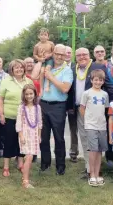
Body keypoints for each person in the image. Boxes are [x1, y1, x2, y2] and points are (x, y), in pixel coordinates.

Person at [66, 47, 113, 177]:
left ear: (89, 55)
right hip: (78, 109)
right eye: (79, 55)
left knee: (95, 140)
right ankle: (89, 168)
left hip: (94, 111)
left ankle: (96, 168)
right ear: (75, 57)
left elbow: (109, 87)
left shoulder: (98, 67)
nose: (82, 57)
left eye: (84, 55)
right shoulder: (72, 69)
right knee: (84, 139)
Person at [39, 44, 73, 175]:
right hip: (44, 104)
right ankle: (45, 164)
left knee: (59, 138)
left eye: (62, 54)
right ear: (53, 53)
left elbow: (65, 88)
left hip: (58, 106)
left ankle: (60, 166)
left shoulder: (67, 70)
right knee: (44, 137)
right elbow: (38, 76)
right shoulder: (48, 66)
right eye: (57, 53)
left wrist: (51, 78)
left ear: (65, 56)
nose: (59, 56)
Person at [0, 59, 33, 177]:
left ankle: (20, 163)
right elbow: (0, 98)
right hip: (9, 116)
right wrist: (1, 114)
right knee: (9, 141)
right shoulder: (6, 81)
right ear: (12, 70)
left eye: (21, 67)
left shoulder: (28, 81)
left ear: (24, 68)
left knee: (22, 142)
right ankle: (6, 166)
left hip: (25, 118)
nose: (19, 69)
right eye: (16, 68)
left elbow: (32, 98)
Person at [80, 69, 109, 186]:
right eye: (95, 80)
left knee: (99, 151)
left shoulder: (105, 94)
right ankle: (91, 174)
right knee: (93, 150)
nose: (98, 82)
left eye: (100, 80)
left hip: (102, 126)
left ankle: (97, 174)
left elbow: (105, 109)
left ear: (103, 81)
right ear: (91, 80)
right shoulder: (86, 93)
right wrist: (87, 120)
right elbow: (82, 108)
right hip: (90, 125)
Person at [16, 84, 42, 188]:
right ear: (24, 95)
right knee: (29, 157)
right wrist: (21, 136)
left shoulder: (38, 107)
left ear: (35, 94)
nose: (29, 96)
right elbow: (19, 123)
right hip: (25, 135)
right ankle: (25, 181)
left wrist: (39, 136)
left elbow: (39, 123)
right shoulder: (22, 108)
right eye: (27, 94)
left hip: (34, 135)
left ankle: (25, 177)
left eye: (31, 94)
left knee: (29, 158)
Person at [64, 46, 79, 162]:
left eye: (69, 52)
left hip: (72, 103)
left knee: (73, 129)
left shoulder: (76, 67)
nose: (67, 54)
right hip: (59, 102)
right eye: (65, 52)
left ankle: (73, 152)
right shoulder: (56, 66)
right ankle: (59, 152)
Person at [33, 28, 55, 93]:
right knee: (42, 72)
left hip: (49, 59)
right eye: (41, 35)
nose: (43, 36)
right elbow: (34, 54)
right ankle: (41, 88)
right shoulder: (37, 46)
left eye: (45, 35)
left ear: (48, 37)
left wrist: (49, 55)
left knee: (47, 69)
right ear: (39, 36)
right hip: (42, 61)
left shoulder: (51, 44)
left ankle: (47, 85)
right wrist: (39, 59)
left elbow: (54, 51)